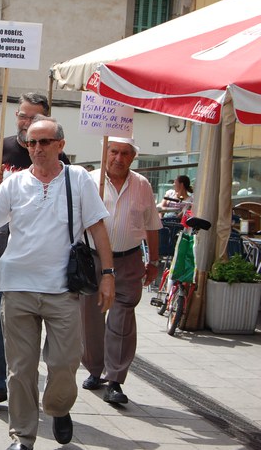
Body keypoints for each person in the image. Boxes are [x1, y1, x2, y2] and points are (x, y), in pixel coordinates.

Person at [0, 116, 115, 450]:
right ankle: (22, 437)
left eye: (45, 142)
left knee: (65, 363)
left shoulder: (78, 178)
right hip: (17, 287)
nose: (37, 148)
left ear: (60, 145)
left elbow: (97, 227)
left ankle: (58, 407)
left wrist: (108, 275)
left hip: (62, 289)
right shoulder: (15, 183)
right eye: (31, 143)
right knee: (20, 369)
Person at [0, 92, 69, 412]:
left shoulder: (60, 158)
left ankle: (44, 387)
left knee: (40, 331)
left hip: (40, 261)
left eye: (33, 117)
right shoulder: (0, 148)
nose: (26, 123)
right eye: (21, 116)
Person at [81, 137, 161, 405]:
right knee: (90, 318)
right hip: (92, 259)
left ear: (133, 157)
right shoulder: (89, 180)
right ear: (105, 152)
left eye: (125, 153)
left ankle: (115, 379)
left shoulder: (142, 185)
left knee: (122, 317)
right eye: (114, 151)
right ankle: (94, 370)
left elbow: (152, 224)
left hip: (128, 259)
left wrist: (154, 261)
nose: (119, 158)